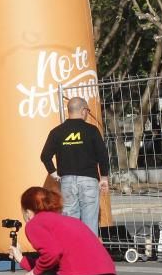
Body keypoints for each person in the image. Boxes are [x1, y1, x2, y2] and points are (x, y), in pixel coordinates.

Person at [39, 96, 110, 234]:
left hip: (67, 181)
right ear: (83, 111)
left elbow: (45, 156)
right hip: (89, 180)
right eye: (88, 111)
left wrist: (54, 174)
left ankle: (72, 254)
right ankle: (89, 254)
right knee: (90, 223)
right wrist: (104, 177)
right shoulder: (92, 130)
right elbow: (102, 155)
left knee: (70, 223)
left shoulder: (57, 132)